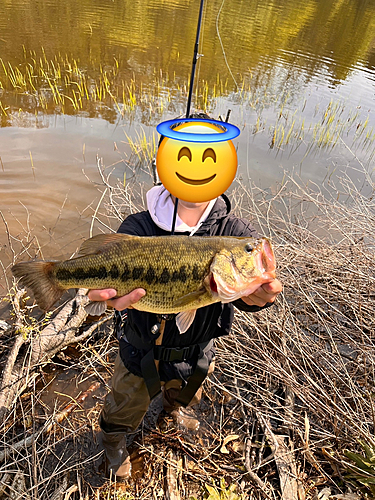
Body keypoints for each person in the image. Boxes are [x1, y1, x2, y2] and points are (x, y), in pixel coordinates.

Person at [88, 181, 282, 480]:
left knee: (185, 395)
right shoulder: (138, 226)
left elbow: (248, 293)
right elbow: (109, 282)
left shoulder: (237, 232)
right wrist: (106, 296)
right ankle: (113, 440)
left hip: (195, 354)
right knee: (123, 406)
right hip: (139, 351)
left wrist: (259, 298)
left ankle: (175, 411)